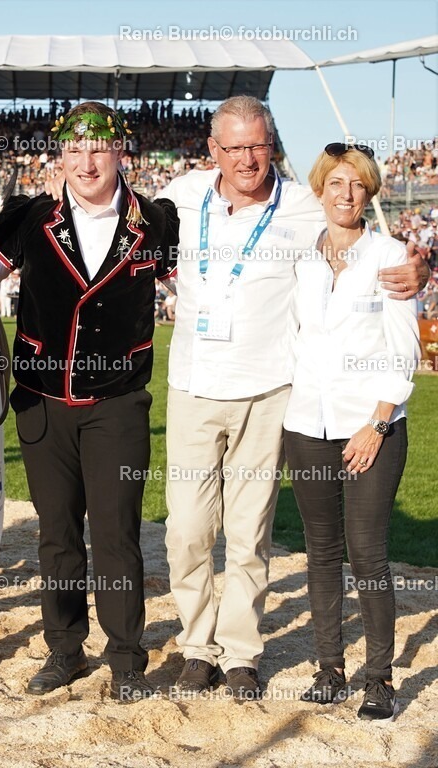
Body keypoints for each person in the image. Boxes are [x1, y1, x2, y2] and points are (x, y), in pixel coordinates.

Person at [156, 96, 429, 700]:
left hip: (270, 392)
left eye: (259, 144)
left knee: (250, 533)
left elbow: (380, 253)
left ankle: (241, 656)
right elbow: (129, 243)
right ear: (213, 151)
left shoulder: (305, 205)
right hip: (194, 385)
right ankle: (197, 647)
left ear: (271, 144)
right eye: (235, 148)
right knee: (188, 531)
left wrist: (422, 274)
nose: (249, 159)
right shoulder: (180, 195)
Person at [0, 102, 179, 701]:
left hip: (118, 403)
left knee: (116, 535)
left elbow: (198, 290)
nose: (88, 162)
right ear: (59, 157)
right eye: (75, 151)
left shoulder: (156, 223)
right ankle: (64, 651)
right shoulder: (29, 219)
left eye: (100, 149)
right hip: (42, 402)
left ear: (120, 153)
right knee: (57, 534)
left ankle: (126, 660)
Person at [283, 143, 419, 721]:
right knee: (321, 552)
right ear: (320, 188)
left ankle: (379, 679)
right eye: (336, 183)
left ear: (369, 194)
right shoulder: (299, 258)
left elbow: (406, 351)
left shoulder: (388, 256)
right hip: (306, 423)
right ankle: (329, 668)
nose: (346, 194)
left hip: (372, 426)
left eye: (358, 186)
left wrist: (376, 422)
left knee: (367, 553)